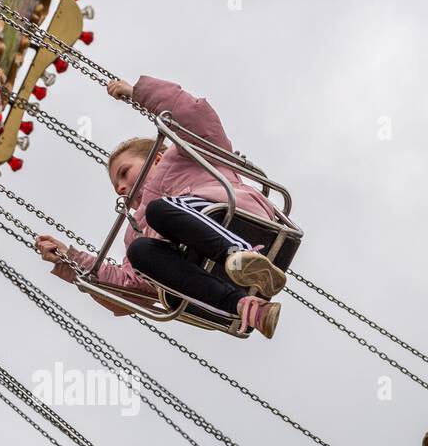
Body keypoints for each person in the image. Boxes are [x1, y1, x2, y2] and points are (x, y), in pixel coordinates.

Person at [36, 75, 287, 337]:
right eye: (116, 188)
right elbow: (130, 290)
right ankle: (248, 308)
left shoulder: (188, 156)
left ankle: (241, 255)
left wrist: (138, 94)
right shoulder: (138, 231)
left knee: (160, 210)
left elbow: (196, 116)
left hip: (235, 219)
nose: (121, 189)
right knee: (140, 251)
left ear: (157, 158)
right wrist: (70, 259)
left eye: (124, 173)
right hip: (201, 267)